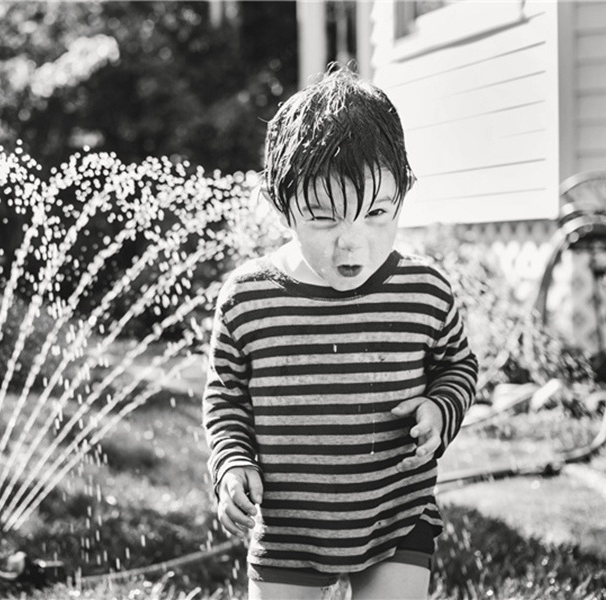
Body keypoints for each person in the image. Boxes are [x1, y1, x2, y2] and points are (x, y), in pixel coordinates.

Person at [202, 67, 479, 600]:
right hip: (288, 527)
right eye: (325, 219)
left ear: (404, 193)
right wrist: (233, 464)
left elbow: (457, 366)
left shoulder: (423, 290)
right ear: (282, 204)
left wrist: (441, 407)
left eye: (377, 213)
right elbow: (226, 397)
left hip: (396, 513)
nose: (352, 244)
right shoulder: (249, 298)